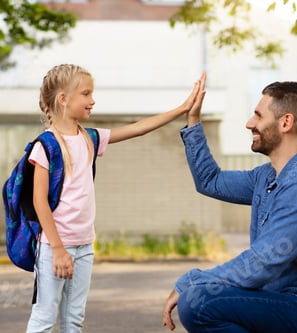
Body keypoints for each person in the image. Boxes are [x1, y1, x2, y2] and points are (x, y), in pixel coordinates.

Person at [162, 74, 297, 333]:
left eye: (258, 115)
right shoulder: (267, 176)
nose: (249, 123)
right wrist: (193, 122)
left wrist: (191, 280)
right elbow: (210, 181)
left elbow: (262, 264)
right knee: (198, 300)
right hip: (287, 303)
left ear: (285, 122)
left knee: (198, 303)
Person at [26, 64, 202, 333]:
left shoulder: (90, 139)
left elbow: (138, 128)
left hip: (84, 245)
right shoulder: (46, 145)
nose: (92, 100)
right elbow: (39, 201)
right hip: (53, 248)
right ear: (63, 99)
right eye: (85, 94)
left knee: (74, 320)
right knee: (45, 319)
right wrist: (59, 250)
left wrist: (181, 109)